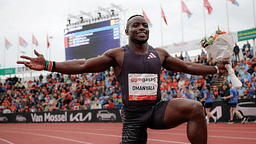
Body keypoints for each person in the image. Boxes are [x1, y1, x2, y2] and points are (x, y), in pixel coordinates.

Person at [17, 15, 228, 144]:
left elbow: (188, 66)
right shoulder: (117, 54)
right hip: (133, 117)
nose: (141, 28)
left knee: (195, 108)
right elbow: (83, 65)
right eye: (136, 25)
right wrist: (48, 65)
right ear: (127, 31)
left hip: (157, 109)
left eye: (144, 25)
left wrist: (216, 70)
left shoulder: (160, 54)